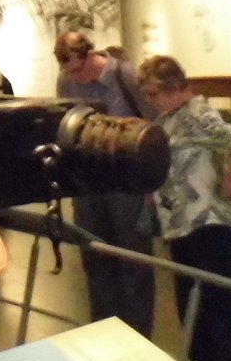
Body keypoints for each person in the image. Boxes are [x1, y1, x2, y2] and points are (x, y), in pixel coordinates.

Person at [137, 55, 231, 361]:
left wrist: (229, 184)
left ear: (170, 88)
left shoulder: (198, 115)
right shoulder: (172, 117)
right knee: (194, 312)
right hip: (185, 228)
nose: (149, 100)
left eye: (152, 93)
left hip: (212, 228)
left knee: (222, 314)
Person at [54, 31, 156, 336]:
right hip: (89, 182)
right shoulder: (66, 80)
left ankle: (138, 334)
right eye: (69, 72)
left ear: (91, 55)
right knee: (94, 256)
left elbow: (153, 124)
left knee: (133, 260)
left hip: (127, 182)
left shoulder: (124, 75)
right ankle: (102, 330)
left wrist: (152, 182)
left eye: (79, 69)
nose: (77, 78)